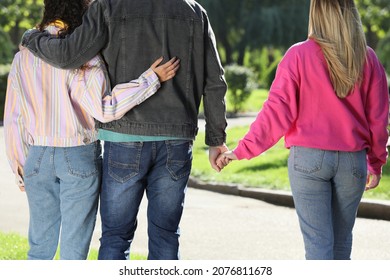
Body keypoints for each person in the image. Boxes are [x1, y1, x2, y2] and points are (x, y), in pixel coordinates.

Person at [21, 0, 228, 260]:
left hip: (123, 139)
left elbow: (67, 56)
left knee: (116, 236)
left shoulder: (108, 6)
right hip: (176, 139)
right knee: (166, 233)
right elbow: (215, 81)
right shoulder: (195, 11)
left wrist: (31, 38)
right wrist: (216, 140)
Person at [217, 0, 388, 260]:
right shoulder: (368, 58)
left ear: (316, 14)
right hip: (353, 163)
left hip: (308, 160)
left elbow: (277, 112)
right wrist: (376, 163)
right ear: (350, 14)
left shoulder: (298, 55)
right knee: (341, 247)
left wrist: (242, 150)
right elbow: (379, 118)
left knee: (318, 247)